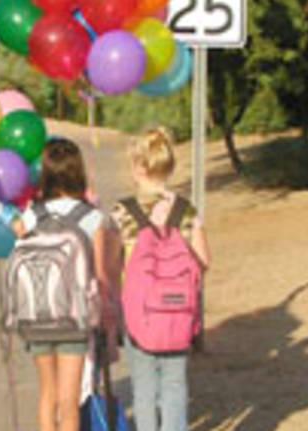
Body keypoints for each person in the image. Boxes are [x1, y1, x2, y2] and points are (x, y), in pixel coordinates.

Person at [11, 137, 117, 431]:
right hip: (74, 316)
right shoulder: (93, 218)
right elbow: (101, 275)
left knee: (47, 395)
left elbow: (17, 245)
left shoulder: (32, 215)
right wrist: (108, 316)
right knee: (69, 401)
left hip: (37, 314)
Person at [110, 127, 210, 431]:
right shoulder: (186, 211)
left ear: (140, 167)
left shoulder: (123, 213)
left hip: (138, 316)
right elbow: (204, 262)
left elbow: (111, 266)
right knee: (175, 386)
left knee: (144, 389)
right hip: (178, 312)